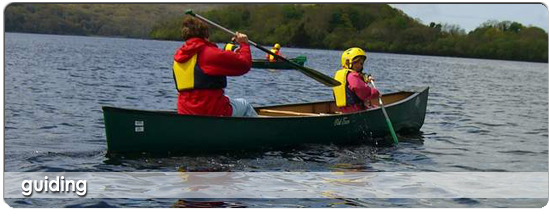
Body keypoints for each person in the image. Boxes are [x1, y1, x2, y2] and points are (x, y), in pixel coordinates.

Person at [172, 16, 257, 117]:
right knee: (245, 105)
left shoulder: (178, 57)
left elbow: (204, 70)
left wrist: (231, 54)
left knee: (227, 98)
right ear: (205, 34)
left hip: (185, 111)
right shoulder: (208, 53)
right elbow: (244, 65)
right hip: (211, 111)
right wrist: (244, 44)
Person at [332, 47, 380, 113]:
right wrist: (376, 93)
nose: (359, 65)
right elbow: (362, 90)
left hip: (345, 110)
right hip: (356, 109)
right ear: (348, 62)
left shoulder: (344, 74)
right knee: (377, 108)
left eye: (361, 63)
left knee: (373, 106)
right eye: (356, 62)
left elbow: (359, 79)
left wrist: (366, 79)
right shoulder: (352, 76)